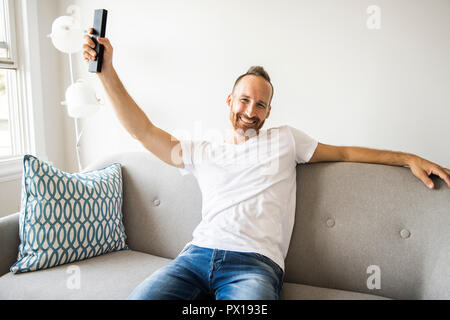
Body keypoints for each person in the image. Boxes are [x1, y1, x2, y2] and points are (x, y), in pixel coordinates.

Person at [82, 30, 450, 300]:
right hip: (194, 258)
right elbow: (142, 131)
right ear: (229, 100)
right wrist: (105, 71)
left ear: (269, 112)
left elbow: (347, 153)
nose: (250, 111)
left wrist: (407, 158)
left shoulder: (286, 141)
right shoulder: (201, 151)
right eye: (244, 100)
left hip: (253, 266)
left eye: (260, 105)